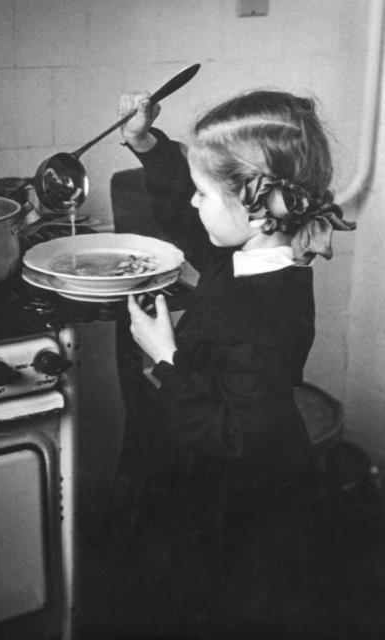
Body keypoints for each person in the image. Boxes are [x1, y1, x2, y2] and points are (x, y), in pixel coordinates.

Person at [112, 89, 356, 638]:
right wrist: (146, 143)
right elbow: (187, 215)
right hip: (213, 476)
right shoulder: (244, 254)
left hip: (241, 504)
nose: (193, 201)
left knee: (223, 608)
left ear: (257, 207)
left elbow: (234, 434)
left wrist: (167, 357)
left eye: (203, 192)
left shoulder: (270, 309)